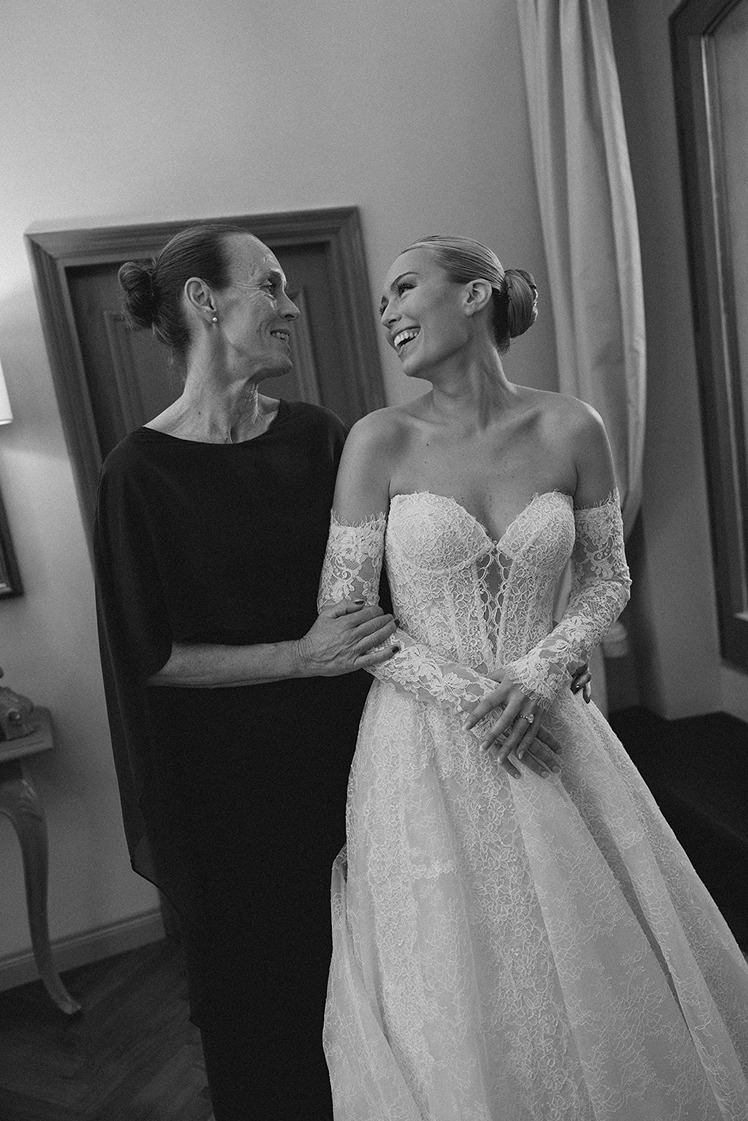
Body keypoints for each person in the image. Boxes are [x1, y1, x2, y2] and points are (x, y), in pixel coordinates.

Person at [93, 223, 577, 1120]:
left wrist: (539, 657)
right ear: (204, 302)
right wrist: (297, 654)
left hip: (363, 759)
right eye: (270, 286)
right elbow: (147, 655)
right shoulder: (138, 473)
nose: (291, 305)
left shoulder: (321, 438)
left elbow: (415, 587)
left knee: (396, 983)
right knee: (265, 1003)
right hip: (232, 790)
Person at [317, 235, 748, 1119]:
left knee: (593, 954)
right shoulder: (378, 440)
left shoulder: (572, 425)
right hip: (424, 746)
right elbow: (346, 610)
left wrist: (543, 669)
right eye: (384, 300)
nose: (389, 312)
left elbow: (607, 575)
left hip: (552, 723)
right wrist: (482, 700)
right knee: (459, 968)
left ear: (475, 294)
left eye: (405, 288)